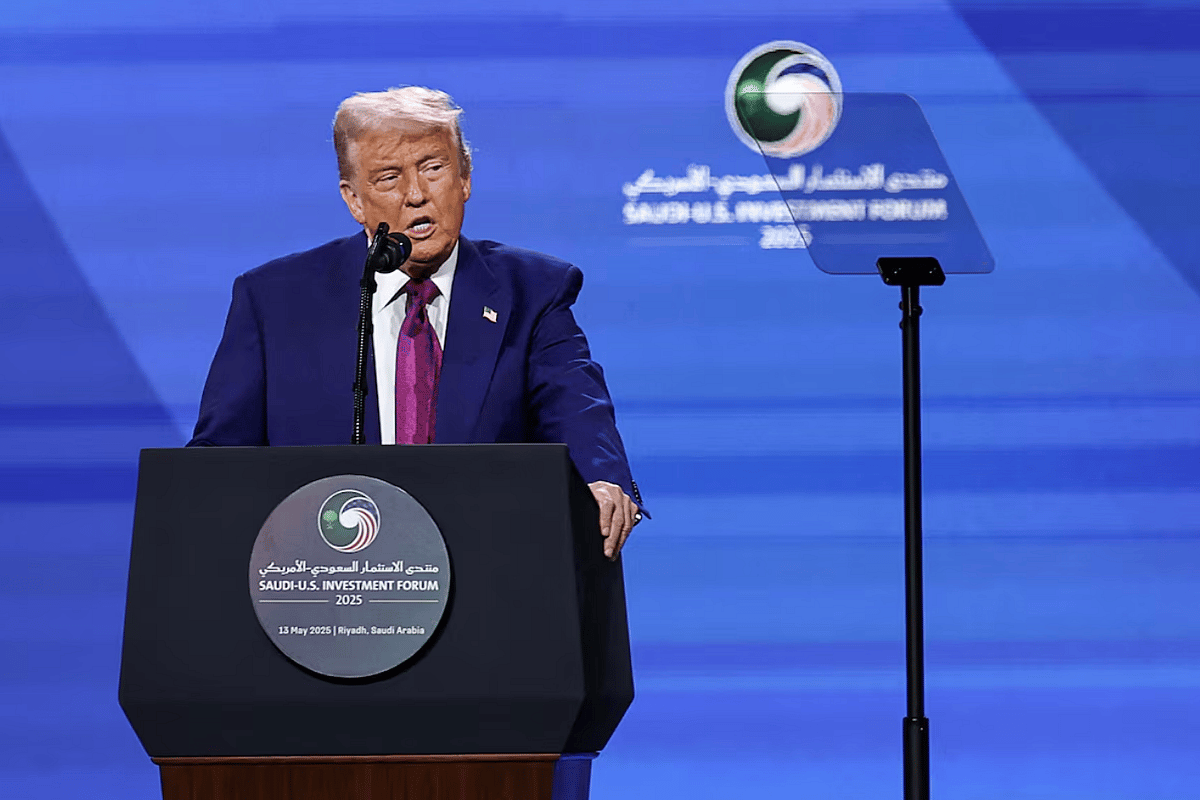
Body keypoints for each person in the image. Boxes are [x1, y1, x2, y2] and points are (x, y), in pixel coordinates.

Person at [189, 86, 642, 559]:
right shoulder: (275, 301)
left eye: (433, 168)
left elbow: (575, 404)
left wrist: (599, 478)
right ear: (354, 200)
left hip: (486, 565)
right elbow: (218, 460)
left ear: (464, 177)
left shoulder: (532, 292)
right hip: (323, 577)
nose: (416, 195)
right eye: (389, 178)